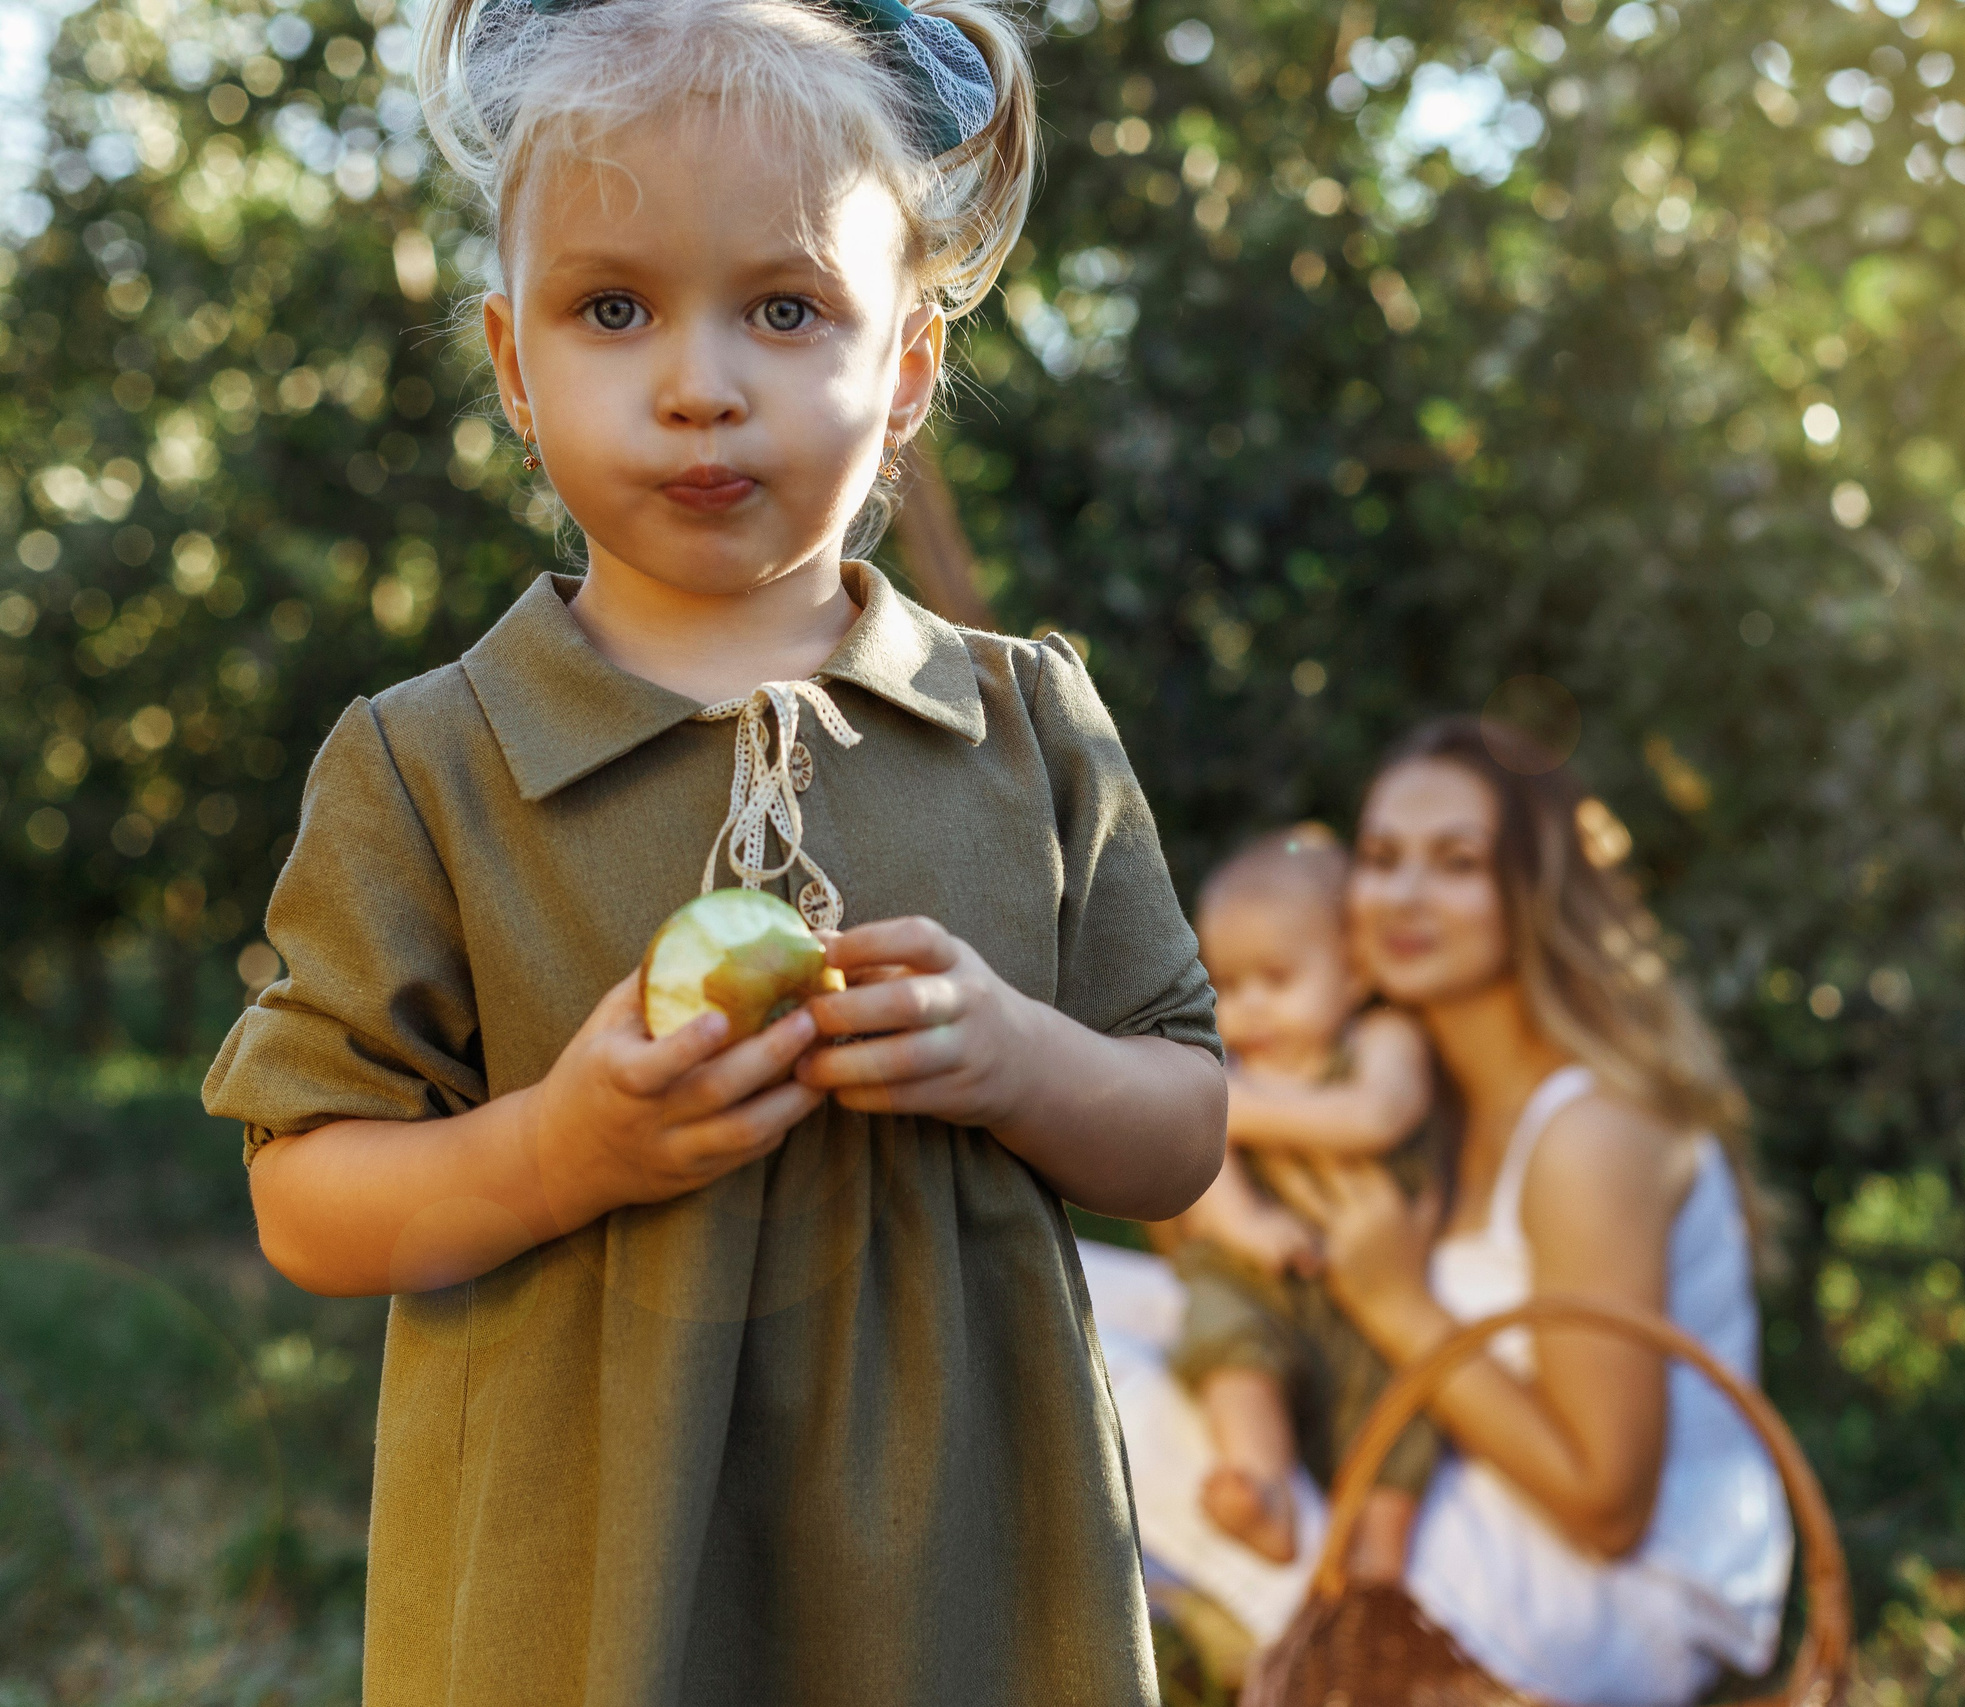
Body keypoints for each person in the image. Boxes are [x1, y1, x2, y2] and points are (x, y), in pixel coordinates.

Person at [199, 2, 1225, 1700]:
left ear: (902, 369)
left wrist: (1014, 1056)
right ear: (516, 366)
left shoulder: (1029, 727)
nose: (697, 382)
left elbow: (1182, 1123)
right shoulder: (430, 759)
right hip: (579, 1598)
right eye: (614, 308)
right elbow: (309, 1197)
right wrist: (554, 1151)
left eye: (784, 307)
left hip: (968, 1599)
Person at [1102, 717, 1792, 1707]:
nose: (1404, 896)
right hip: (1433, 1491)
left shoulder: (1588, 1132)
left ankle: (1309, 1653)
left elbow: (1610, 1507)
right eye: (1381, 859)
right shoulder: (1410, 1086)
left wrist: (1394, 1301)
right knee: (1045, 1285)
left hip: (1606, 1595)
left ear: (1532, 893)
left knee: (1088, 1376)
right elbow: (1219, 1268)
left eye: (1456, 862)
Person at [1161, 825, 1442, 1580]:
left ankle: (1379, 1571)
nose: (1250, 1007)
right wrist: (1248, 1227)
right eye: (1230, 984)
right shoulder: (1234, 1066)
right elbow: (1207, 1175)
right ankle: (1266, 1489)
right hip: (1260, 1279)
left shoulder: (1384, 1038)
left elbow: (1377, 1115)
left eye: (1277, 979)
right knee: (1226, 1346)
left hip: (1369, 1299)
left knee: (1403, 1410)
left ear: (1353, 971)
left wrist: (1227, 1102)